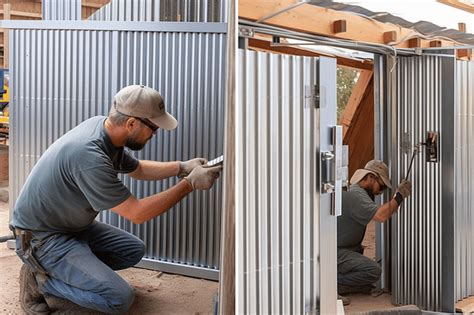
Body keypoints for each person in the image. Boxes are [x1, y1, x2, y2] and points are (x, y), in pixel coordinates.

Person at [9, 85, 223, 314]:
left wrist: (181, 167)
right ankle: (41, 280)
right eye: (153, 127)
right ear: (131, 123)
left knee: (132, 250)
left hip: (71, 228)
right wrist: (188, 184)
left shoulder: (105, 130)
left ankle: (66, 271)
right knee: (119, 299)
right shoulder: (89, 156)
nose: (155, 133)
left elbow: (137, 169)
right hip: (43, 238)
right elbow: (137, 213)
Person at [337, 160, 411, 300]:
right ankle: (331, 284)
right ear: (370, 177)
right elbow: (381, 215)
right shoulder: (356, 195)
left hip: (341, 249)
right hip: (337, 252)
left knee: (366, 274)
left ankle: (340, 282)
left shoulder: (356, 192)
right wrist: (399, 196)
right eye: (381, 186)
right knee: (373, 271)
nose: (380, 192)